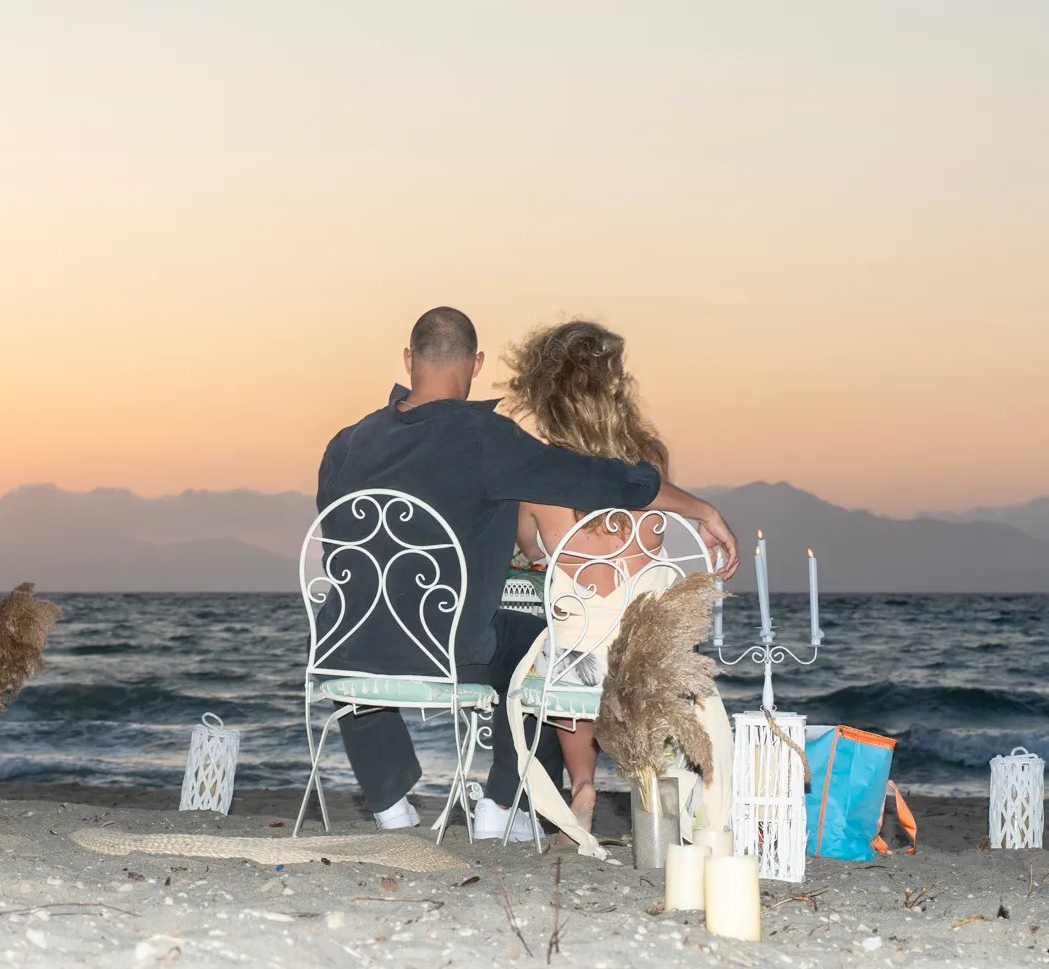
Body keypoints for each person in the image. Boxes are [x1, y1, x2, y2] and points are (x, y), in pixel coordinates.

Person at [314, 307, 738, 841]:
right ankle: (501, 801)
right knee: (543, 643)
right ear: (475, 364)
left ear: (407, 360)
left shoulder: (346, 443)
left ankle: (388, 800)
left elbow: (341, 545)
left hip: (352, 648)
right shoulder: (484, 437)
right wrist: (700, 509)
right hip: (451, 651)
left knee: (345, 621)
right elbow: (592, 480)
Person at [501, 319, 737, 845]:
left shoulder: (538, 470)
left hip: (577, 662)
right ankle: (659, 793)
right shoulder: (651, 459)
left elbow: (534, 550)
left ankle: (581, 786)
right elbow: (655, 519)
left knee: (561, 645)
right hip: (646, 651)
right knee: (600, 636)